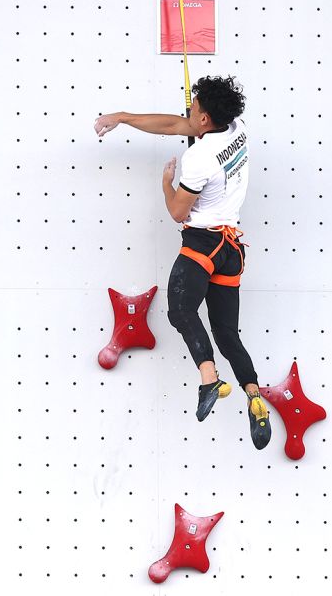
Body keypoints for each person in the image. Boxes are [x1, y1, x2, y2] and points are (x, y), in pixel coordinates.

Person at [94, 76, 270, 450]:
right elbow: (175, 125)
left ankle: (209, 379)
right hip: (231, 249)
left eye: (195, 108)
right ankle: (254, 396)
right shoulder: (237, 128)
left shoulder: (199, 157)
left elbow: (177, 211)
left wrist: (166, 183)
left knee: (181, 310)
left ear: (205, 120)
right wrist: (122, 117)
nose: (189, 112)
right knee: (227, 334)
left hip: (204, 243)